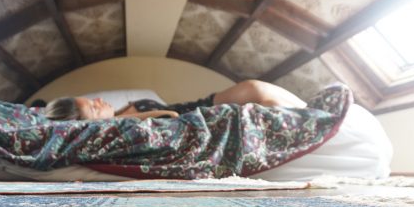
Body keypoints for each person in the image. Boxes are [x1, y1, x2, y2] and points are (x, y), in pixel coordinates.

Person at [43, 80, 307, 121]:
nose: (99, 100)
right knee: (261, 99)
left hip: (197, 103)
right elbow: (170, 117)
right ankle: (311, 116)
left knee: (254, 89)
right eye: (92, 106)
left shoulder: (122, 112)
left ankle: (309, 111)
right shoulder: (123, 124)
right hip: (198, 114)